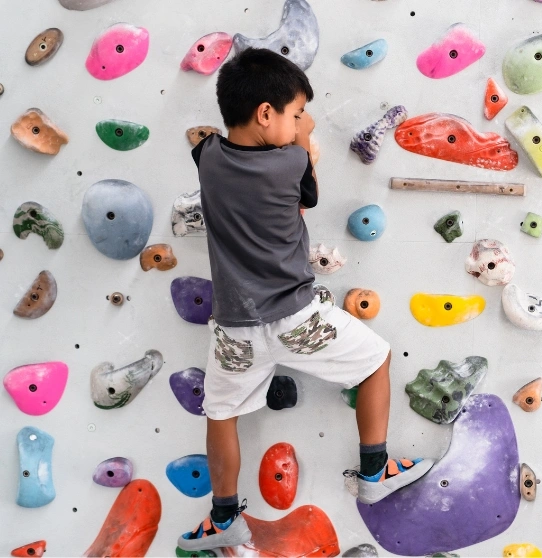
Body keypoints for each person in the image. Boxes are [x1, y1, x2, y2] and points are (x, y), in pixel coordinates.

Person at [178, 47, 433, 551]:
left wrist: (294, 122)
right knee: (377, 360)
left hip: (234, 331)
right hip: (297, 319)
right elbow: (308, 191)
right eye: (294, 113)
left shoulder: (206, 156)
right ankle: (374, 470)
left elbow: (236, 146)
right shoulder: (291, 161)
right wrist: (304, 134)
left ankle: (224, 516)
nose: (300, 122)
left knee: (221, 414)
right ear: (265, 113)